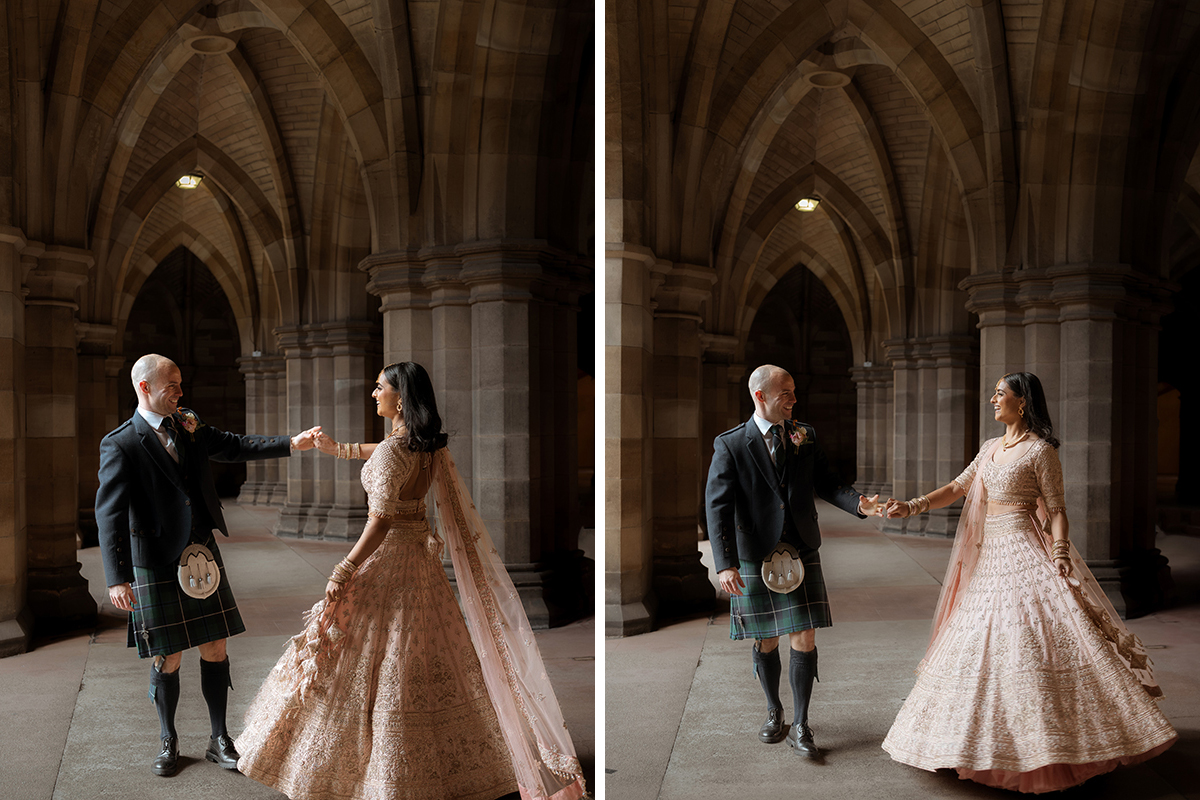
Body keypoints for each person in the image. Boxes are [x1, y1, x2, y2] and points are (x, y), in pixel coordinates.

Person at [235, 361, 586, 800]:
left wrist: (344, 568)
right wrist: (339, 448)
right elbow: (385, 456)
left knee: (360, 652)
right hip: (418, 560)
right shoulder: (426, 447)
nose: (373, 394)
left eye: (379, 388)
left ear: (399, 397)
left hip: (385, 560)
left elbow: (379, 520)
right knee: (418, 649)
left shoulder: (393, 451)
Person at [881, 371, 1178, 792]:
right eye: (994, 394)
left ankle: (1053, 745)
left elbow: (1056, 509)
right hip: (991, 559)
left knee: (1033, 636)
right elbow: (957, 487)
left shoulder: (1040, 451)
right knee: (983, 640)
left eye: (1000, 394)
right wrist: (911, 506)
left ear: (1022, 402)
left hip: (1024, 549)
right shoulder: (989, 449)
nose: (992, 400)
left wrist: (1059, 551)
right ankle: (972, 745)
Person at [96, 353, 321, 777]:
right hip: (155, 560)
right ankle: (168, 739)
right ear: (144, 388)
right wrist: (116, 578)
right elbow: (109, 514)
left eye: (181, 384)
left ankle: (219, 738)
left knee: (216, 646)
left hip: (200, 550)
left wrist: (292, 443)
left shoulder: (188, 424)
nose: (181, 393)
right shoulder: (121, 442)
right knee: (169, 655)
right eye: (172, 386)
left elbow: (234, 446)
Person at [705, 364, 884, 759]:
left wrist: (858, 504)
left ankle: (801, 722)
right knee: (766, 639)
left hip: (801, 548)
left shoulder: (805, 435)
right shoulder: (731, 444)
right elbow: (717, 507)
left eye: (794, 391)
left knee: (804, 636)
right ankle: (774, 711)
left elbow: (828, 483)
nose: (793, 399)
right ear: (760, 396)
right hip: (755, 553)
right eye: (785, 392)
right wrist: (724, 563)